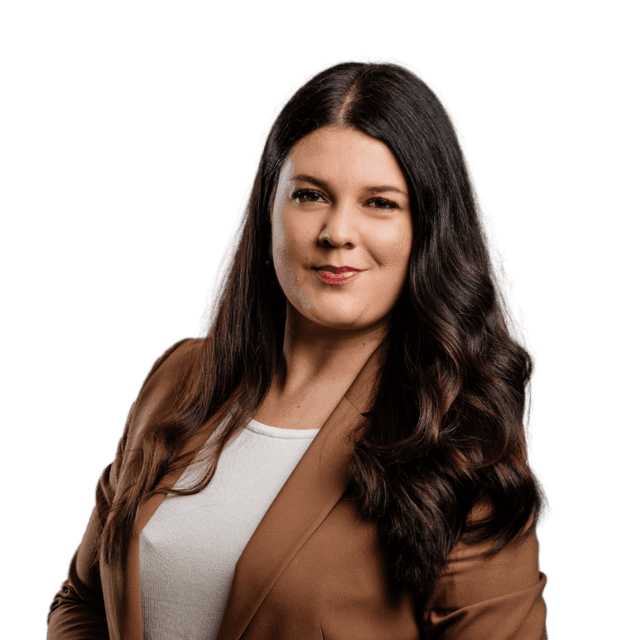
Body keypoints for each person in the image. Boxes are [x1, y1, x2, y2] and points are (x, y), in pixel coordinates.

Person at [46, 58, 549, 639]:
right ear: (269, 211)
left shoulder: (459, 443)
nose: (337, 232)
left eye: (380, 203)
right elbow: (82, 600)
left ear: (426, 230)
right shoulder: (180, 380)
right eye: (310, 195)